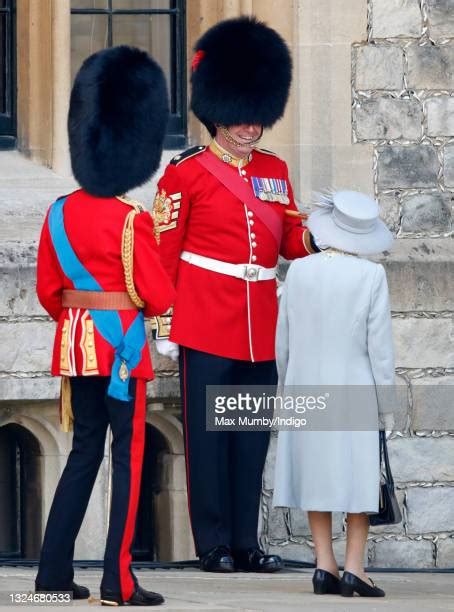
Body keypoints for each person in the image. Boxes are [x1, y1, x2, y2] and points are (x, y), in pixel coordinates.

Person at [152, 16, 319, 573]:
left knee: (249, 438)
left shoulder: (274, 170)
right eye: (242, 120)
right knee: (208, 438)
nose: (251, 130)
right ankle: (214, 543)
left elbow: (289, 239)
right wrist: (165, 324)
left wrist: (321, 237)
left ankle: (247, 542)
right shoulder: (187, 174)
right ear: (219, 113)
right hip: (203, 316)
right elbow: (163, 251)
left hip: (258, 321)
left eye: (257, 119)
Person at [35, 46, 175, 606]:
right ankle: (118, 581)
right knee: (129, 457)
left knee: (83, 454)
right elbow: (158, 293)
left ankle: (50, 580)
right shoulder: (131, 219)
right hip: (121, 351)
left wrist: (81, 318)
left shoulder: (58, 213)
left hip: (75, 346)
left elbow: (52, 291)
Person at [273, 191, 396, 597]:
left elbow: (283, 344)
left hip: (305, 383)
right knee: (358, 478)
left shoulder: (299, 272)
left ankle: (324, 564)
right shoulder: (370, 276)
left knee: (317, 473)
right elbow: (379, 349)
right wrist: (386, 405)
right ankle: (354, 568)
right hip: (354, 384)